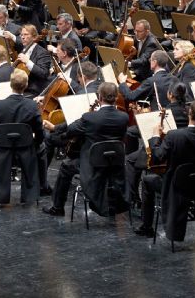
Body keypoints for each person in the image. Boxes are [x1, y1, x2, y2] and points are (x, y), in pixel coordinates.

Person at [133, 100, 195, 241]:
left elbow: (158, 157)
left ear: (189, 113)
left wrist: (155, 137)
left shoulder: (174, 136)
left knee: (147, 181)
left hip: (176, 188)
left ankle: (147, 227)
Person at [41, 82, 130, 217]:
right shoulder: (124, 117)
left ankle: (57, 207)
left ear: (99, 97)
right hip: (115, 163)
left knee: (66, 166)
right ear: (116, 97)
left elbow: (71, 130)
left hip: (92, 164)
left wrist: (55, 128)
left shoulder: (90, 118)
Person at [0, 69, 45, 204]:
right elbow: (39, 129)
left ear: (10, 85)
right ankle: (32, 194)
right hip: (25, 149)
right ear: (26, 85)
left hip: (3, 148)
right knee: (41, 149)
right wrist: (36, 143)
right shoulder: (32, 106)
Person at [14, 24, 52, 96]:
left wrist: (28, 62)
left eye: (26, 34)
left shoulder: (42, 52)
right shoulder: (23, 50)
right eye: (21, 35)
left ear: (34, 37)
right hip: (21, 88)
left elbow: (44, 73)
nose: (22, 37)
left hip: (33, 90)